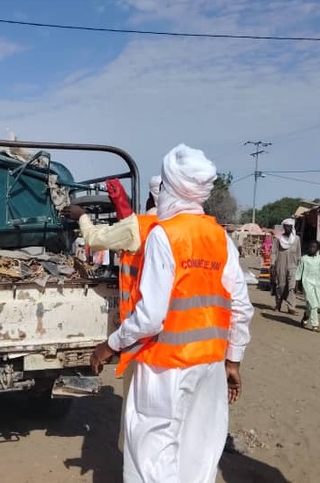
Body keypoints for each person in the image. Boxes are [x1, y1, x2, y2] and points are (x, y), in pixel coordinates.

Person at [90, 144, 254, 483]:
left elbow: (150, 316)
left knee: (151, 457)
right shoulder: (220, 237)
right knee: (198, 457)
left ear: (172, 188)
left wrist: (111, 344)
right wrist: (233, 360)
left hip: (164, 367)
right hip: (209, 367)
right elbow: (241, 305)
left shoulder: (165, 236)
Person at [62, 175, 162, 452]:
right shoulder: (185, 229)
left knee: (141, 418)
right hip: (187, 346)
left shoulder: (139, 226)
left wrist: (82, 216)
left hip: (143, 338)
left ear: (151, 199)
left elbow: (94, 239)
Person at [295, 240, 320, 332]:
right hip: (307, 283)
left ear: (317, 249)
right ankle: (315, 325)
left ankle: (306, 315)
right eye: (310, 247)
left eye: (314, 247)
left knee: (314, 303)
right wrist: (296, 286)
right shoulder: (304, 259)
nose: (311, 249)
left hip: (318, 283)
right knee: (313, 303)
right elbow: (299, 272)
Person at [271, 218, 301, 313]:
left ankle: (291, 307)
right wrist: (272, 264)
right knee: (281, 286)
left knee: (291, 286)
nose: (288, 228)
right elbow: (274, 252)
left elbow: (298, 254)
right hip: (280, 265)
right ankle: (278, 303)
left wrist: (299, 267)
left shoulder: (296, 239)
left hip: (293, 265)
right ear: (283, 227)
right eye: (286, 226)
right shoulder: (278, 239)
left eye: (290, 226)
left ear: (292, 227)